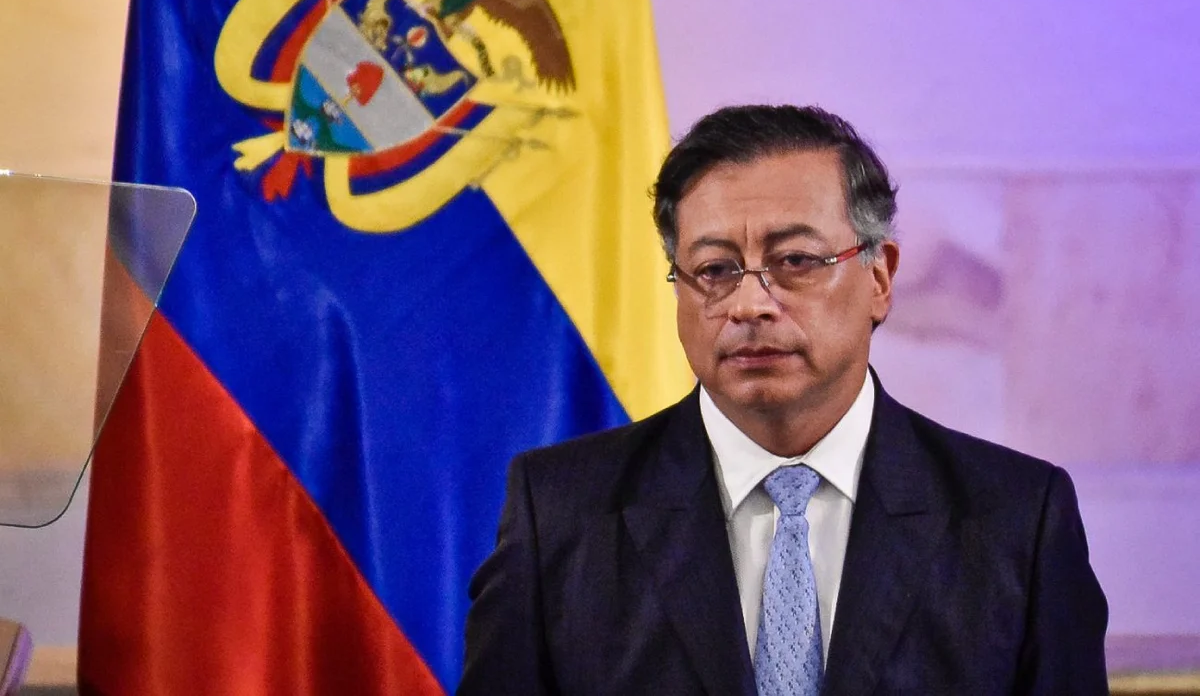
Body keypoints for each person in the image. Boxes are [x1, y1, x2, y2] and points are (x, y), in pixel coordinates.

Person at [459, 104, 1109, 695]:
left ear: (880, 277)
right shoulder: (562, 512)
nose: (749, 304)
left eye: (795, 261)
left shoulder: (1016, 519)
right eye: (715, 270)